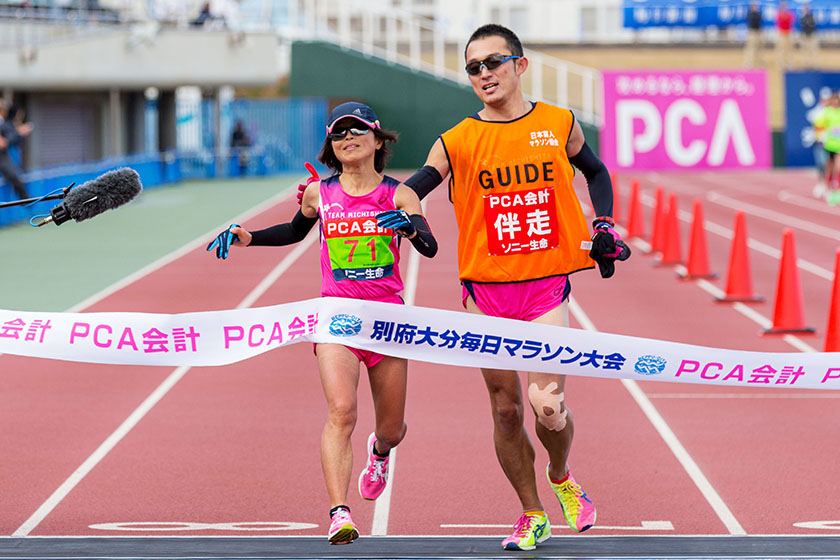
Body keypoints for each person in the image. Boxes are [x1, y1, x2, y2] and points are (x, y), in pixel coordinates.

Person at [397, 24, 628, 551]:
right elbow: (413, 189)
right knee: (506, 410)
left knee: (547, 406)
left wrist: (604, 225)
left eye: (493, 62)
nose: (484, 74)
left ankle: (562, 474)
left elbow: (596, 172)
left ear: (519, 65)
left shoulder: (558, 122)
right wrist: (415, 220)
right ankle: (531, 513)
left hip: (546, 285)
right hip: (486, 291)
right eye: (473, 68)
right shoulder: (457, 139)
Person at [208, 102, 438, 544]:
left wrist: (409, 228)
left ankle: (380, 452)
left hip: (387, 323)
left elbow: (429, 247)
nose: (347, 139)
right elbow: (296, 231)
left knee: (392, 428)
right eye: (338, 134)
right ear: (331, 146)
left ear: (376, 139)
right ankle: (339, 512)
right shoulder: (320, 193)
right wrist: (250, 237)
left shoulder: (400, 195)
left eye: (356, 131)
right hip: (336, 319)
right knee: (342, 412)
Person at [0, 100, 33, 201]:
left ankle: (25, 200)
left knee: (15, 176)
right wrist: (18, 132)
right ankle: (25, 200)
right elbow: (3, 143)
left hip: (7, 157)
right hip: (4, 157)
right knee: (14, 176)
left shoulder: (4, 123)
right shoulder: (5, 123)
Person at [814, 91, 840, 205]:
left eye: (837, 100)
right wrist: (820, 137)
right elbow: (818, 125)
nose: (835, 102)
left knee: (838, 167)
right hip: (828, 144)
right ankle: (828, 186)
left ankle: (836, 188)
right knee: (829, 166)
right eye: (834, 100)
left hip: (838, 145)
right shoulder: (826, 112)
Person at [775, 1, 794, 69]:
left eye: (785, 6)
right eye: (782, 6)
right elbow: (780, 22)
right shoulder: (778, 14)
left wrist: (784, 18)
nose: (784, 7)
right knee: (781, 49)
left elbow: (789, 22)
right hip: (781, 33)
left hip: (788, 32)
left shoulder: (790, 14)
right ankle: (780, 63)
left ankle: (789, 63)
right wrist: (784, 18)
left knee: (789, 49)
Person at [744, 2, 764, 67]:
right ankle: (748, 62)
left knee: (759, 48)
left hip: (758, 32)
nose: (755, 8)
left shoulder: (758, 14)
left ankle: (759, 62)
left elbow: (760, 22)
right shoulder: (750, 14)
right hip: (752, 32)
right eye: (754, 6)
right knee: (750, 48)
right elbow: (753, 21)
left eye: (756, 6)